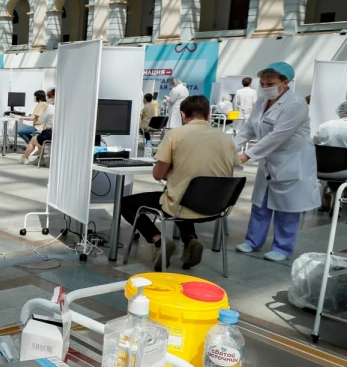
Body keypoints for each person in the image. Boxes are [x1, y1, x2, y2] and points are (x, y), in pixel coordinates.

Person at [121, 95, 239, 270]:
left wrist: (172, 171)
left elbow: (157, 174)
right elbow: (229, 172)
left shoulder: (175, 135)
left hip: (182, 204)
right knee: (184, 196)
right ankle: (190, 240)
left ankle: (158, 240)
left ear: (183, 115)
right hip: (217, 207)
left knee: (129, 203)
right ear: (208, 114)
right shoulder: (226, 139)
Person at [234, 62, 318, 261]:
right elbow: (249, 128)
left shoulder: (295, 104)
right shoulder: (262, 101)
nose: (265, 87)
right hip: (270, 160)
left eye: (270, 83)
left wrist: (246, 155)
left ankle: (282, 248)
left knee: (287, 208)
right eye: (262, 83)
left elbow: (277, 136)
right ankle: (253, 241)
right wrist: (229, 148)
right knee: (260, 203)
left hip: (291, 160)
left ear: (285, 82)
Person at [21, 87, 56, 164]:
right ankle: (40, 158)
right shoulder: (64, 108)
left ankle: (25, 157)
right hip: (60, 134)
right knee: (38, 140)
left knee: (33, 140)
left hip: (49, 132)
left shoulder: (51, 108)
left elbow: (40, 120)